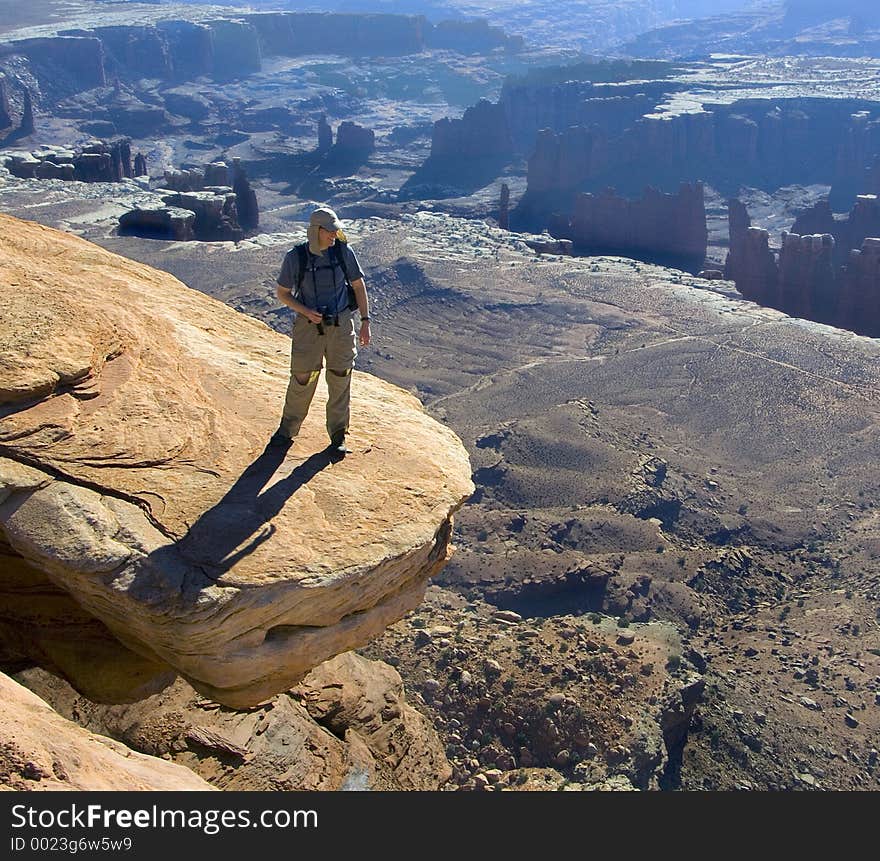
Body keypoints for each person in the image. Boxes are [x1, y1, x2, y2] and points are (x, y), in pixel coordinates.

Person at [270, 206, 370, 455]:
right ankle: (287, 431)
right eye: (330, 231)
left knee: (340, 377)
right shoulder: (296, 257)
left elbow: (358, 286)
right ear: (317, 231)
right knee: (303, 378)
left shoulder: (343, 253)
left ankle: (338, 436)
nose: (334, 235)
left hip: (341, 325)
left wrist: (365, 321)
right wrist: (305, 311)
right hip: (309, 327)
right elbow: (283, 294)